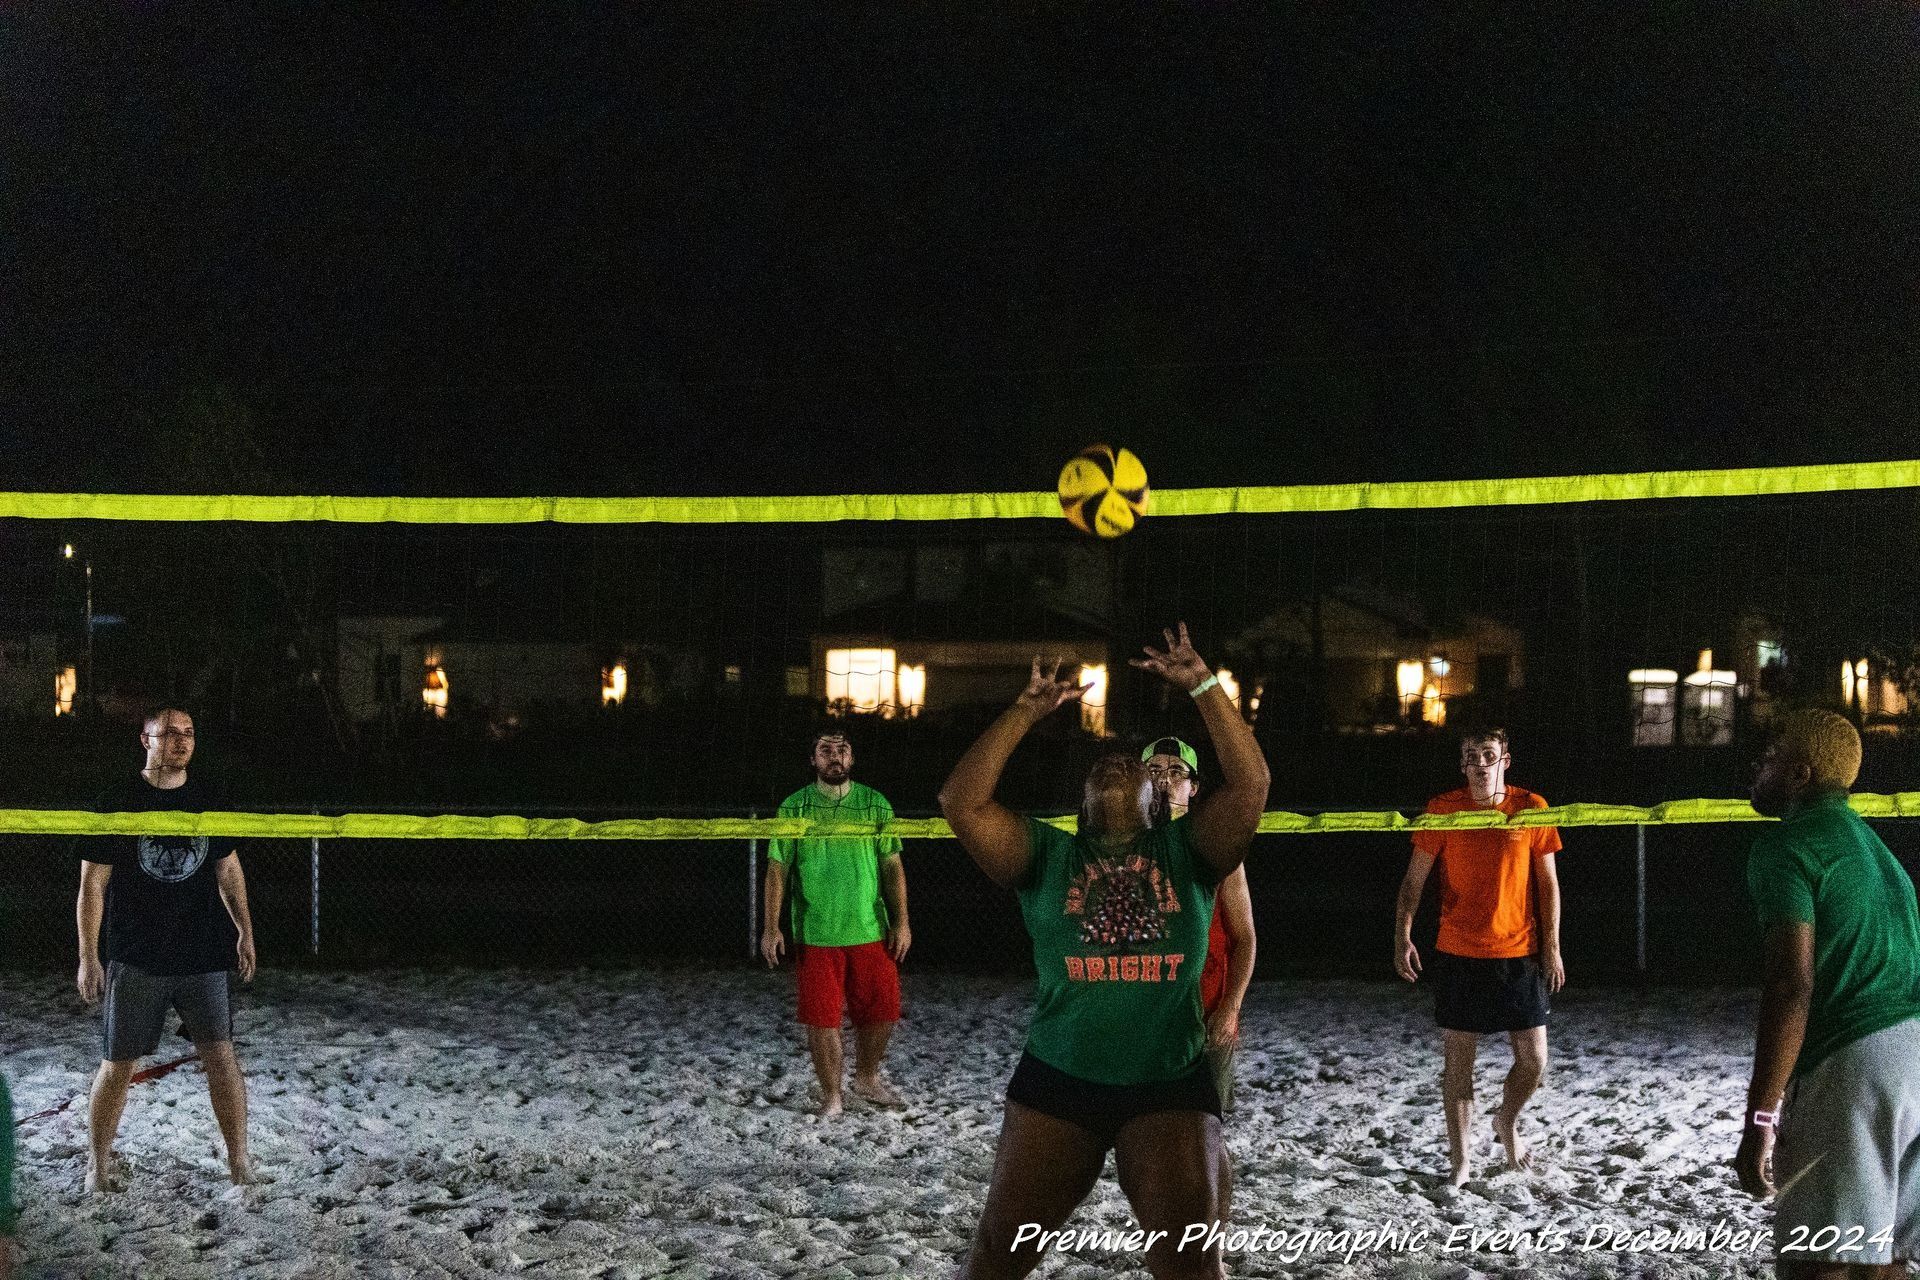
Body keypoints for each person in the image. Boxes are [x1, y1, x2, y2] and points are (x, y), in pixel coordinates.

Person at [940, 626, 1269, 1280]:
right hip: (1057, 1082)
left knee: (1192, 1270)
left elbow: (1251, 783)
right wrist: (1026, 711)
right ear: (1083, 807)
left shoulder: (1189, 853)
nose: (1116, 762)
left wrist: (1204, 684)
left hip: (1168, 1084)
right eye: (1102, 766)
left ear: (1160, 804)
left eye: (1133, 764)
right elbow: (961, 800)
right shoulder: (1049, 856)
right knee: (993, 1265)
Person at [1736, 709, 1920, 1277]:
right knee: (1883, 1257)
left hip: (1853, 1063)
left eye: (1771, 758)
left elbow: (1792, 987)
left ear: (1800, 775)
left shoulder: (1786, 845)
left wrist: (1760, 1120)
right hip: (1914, 1055)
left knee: (1817, 1262)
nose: (1757, 765)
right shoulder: (1876, 849)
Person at [76, 707, 260, 1192]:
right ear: (146, 740)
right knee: (118, 1065)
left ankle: (239, 1163)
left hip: (201, 952)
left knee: (221, 1056)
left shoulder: (207, 799)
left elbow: (228, 870)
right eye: (170, 733)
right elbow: (92, 885)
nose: (181, 742)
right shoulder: (117, 801)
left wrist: (245, 930)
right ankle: (97, 1166)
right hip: (137, 955)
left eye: (189, 734)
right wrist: (88, 956)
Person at [1393, 727, 1564, 1187]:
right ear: (1463, 765)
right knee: (1458, 1065)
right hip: (1459, 952)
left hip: (1519, 951)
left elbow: (1547, 884)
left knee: (1534, 1062)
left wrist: (1552, 947)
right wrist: (1402, 935)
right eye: (1471, 756)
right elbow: (1414, 881)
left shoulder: (1531, 808)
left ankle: (1506, 1121)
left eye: (1489, 755)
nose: (1480, 763)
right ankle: (1461, 1162)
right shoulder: (1443, 809)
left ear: (1505, 760)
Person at [761, 731, 911, 1117]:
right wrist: (771, 927)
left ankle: (866, 1078)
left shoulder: (874, 804)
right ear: (813, 760)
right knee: (821, 1017)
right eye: (825, 750)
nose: (835, 756)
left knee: (883, 1011)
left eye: (842, 750)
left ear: (852, 758)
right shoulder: (795, 807)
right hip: (817, 931)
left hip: (870, 928)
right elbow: (778, 870)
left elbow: (893, 867)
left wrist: (902, 922)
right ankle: (832, 1095)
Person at [1145, 737, 1255, 1084]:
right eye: (1154, 771)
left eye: (1176, 771)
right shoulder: (1120, 846)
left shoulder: (1216, 847)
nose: (1164, 780)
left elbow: (1246, 938)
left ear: (1193, 788)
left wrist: (1230, 1009)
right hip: (1144, 1018)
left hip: (1206, 1014)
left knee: (1208, 1126)